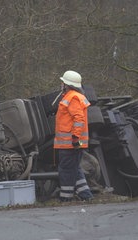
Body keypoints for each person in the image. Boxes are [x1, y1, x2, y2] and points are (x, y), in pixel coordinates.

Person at [54, 70, 94, 202]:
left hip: (70, 143)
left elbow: (78, 118)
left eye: (63, 82)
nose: (61, 85)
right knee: (74, 168)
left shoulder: (72, 97)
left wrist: (75, 138)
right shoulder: (76, 96)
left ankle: (66, 198)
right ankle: (86, 196)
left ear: (66, 84)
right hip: (75, 142)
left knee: (65, 169)